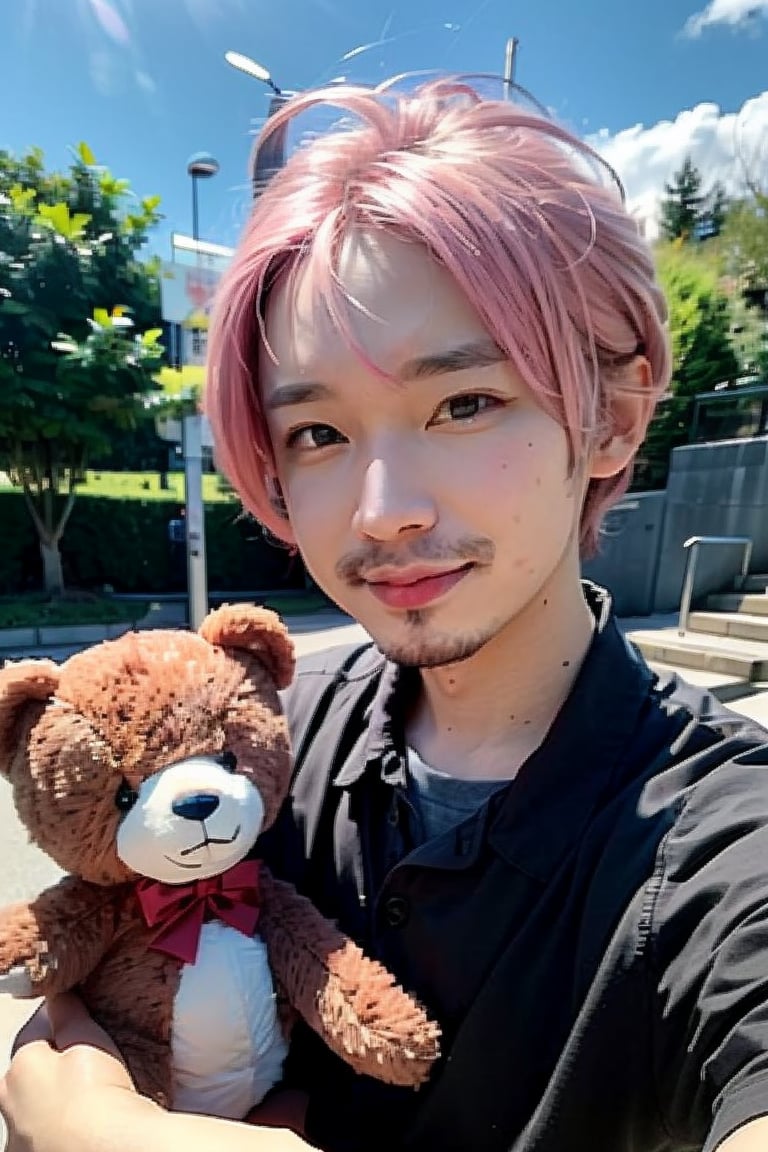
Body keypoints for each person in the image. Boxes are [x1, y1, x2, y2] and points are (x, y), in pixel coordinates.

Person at [2, 74, 768, 1152]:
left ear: (616, 416)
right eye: (317, 432)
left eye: (464, 402)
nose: (384, 511)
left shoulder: (724, 841)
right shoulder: (262, 735)